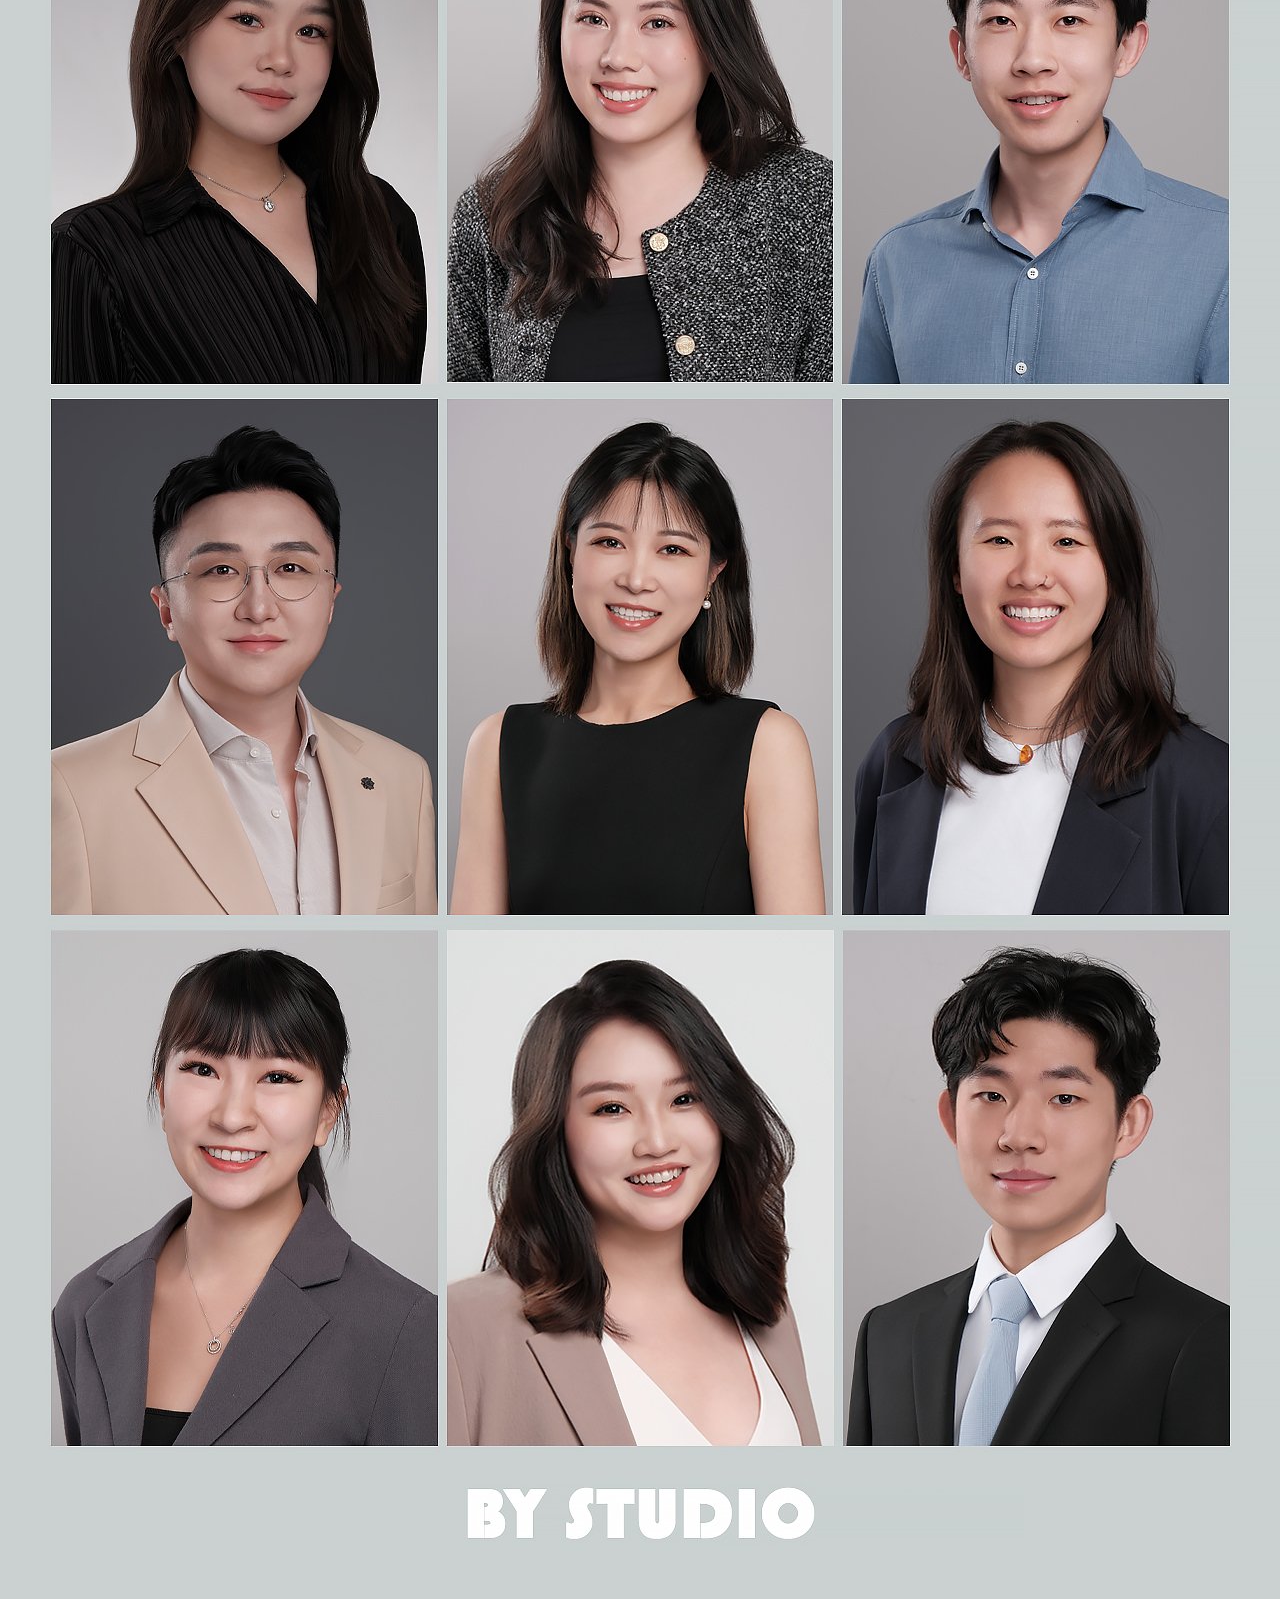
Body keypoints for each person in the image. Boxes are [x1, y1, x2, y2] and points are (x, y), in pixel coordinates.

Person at [53, 949, 437, 1445]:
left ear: (327, 1112)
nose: (233, 1116)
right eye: (203, 1069)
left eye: (277, 1077)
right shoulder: (86, 1304)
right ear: (162, 1092)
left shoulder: (403, 1329)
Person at [447, 0, 831, 382]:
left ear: (714, 39)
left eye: (658, 22)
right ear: (555, 32)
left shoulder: (807, 203)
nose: (618, 56)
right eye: (591, 19)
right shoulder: (491, 218)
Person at [847, 948, 1229, 1446]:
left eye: (1064, 1098)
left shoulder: (1203, 1340)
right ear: (951, 1118)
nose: (1019, 1135)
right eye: (991, 1096)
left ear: (1128, 1124)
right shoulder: (889, 1333)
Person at [849, 0, 1227, 383]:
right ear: (962, 52)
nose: (1032, 60)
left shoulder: (1225, 250)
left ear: (1127, 46)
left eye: (1069, 19)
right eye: (1001, 20)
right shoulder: (899, 262)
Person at [52, 426, 436, 914]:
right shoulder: (66, 790)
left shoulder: (401, 777)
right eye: (221, 570)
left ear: (331, 600)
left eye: (291, 569)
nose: (259, 607)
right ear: (166, 608)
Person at [52, 0, 426, 383]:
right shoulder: (94, 253)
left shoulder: (383, 220)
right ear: (178, 31)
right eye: (248, 19)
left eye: (311, 30)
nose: (281, 59)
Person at [851, 420, 1227, 914]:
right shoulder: (897, 761)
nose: (1030, 574)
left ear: (1115, 570)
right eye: (1000, 540)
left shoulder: (1205, 784)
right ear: (956, 571)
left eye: (1067, 542)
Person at [452, 422, 824, 914]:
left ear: (715, 573)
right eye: (609, 542)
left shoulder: (768, 743)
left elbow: (794, 962)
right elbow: (475, 957)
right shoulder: (499, 743)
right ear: (570, 552)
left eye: (673, 549)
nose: (635, 578)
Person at [448, 959, 820, 1446]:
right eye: (612, 1108)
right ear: (554, 1131)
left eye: (685, 1098)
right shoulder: (463, 1330)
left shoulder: (765, 1308)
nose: (657, 1140)